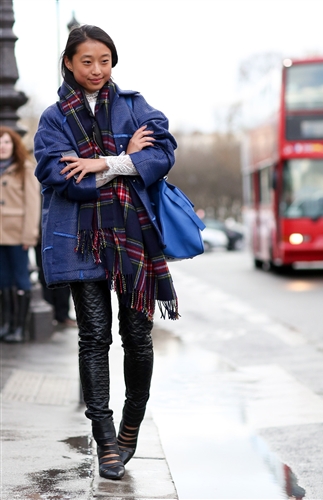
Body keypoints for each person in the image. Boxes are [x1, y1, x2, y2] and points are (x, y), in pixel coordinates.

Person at [34, 25, 179, 481]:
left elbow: (162, 154)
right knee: (94, 336)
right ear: (69, 65)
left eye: (105, 61)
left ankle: (131, 422)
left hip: (133, 236)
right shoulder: (53, 118)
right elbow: (62, 178)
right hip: (80, 237)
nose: (97, 70)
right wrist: (126, 161)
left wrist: (101, 162)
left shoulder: (136, 106)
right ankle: (104, 435)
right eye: (87, 62)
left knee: (138, 336)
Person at [0, 126, 40, 343]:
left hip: (17, 235)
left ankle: (19, 328)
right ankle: (6, 324)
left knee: (21, 280)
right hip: (0, 236)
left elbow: (32, 204)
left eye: (6, 142)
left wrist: (29, 235)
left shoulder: (25, 168)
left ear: (14, 144)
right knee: (3, 280)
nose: (2, 147)